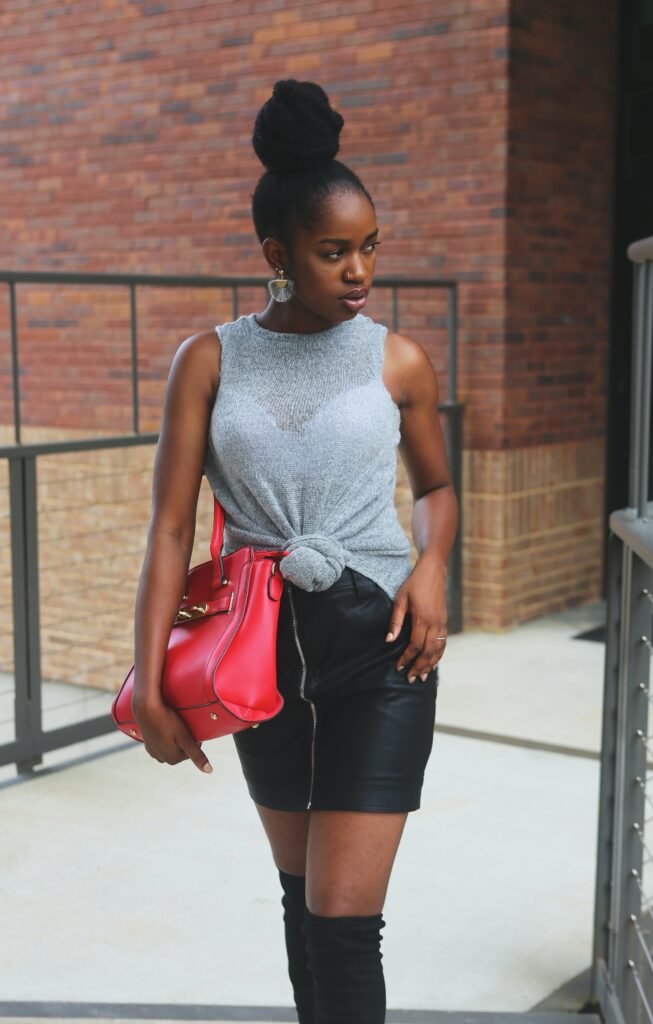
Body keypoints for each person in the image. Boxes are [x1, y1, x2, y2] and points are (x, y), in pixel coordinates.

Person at [131, 79, 458, 1024]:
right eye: (333, 252)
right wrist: (151, 685)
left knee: (343, 920)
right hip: (256, 659)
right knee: (301, 909)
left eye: (368, 249)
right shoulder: (210, 359)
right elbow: (168, 527)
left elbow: (434, 489)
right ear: (278, 256)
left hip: (382, 648)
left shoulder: (396, 359)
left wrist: (431, 570)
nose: (359, 271)